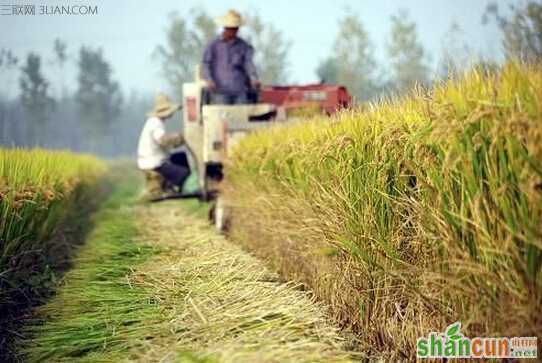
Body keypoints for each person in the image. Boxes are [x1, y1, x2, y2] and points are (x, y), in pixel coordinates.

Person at [202, 9, 261, 105]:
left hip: (240, 90)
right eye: (231, 28)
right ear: (225, 28)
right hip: (220, 91)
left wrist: (254, 78)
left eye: (235, 28)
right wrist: (209, 80)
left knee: (242, 116)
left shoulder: (243, 46)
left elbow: (248, 63)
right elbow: (206, 64)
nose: (233, 31)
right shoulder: (213, 45)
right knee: (223, 118)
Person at [137, 93, 189, 197]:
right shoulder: (156, 123)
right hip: (155, 164)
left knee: (181, 156)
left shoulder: (153, 122)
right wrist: (180, 137)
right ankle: (169, 187)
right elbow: (162, 140)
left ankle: (172, 186)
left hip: (151, 161)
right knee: (184, 174)